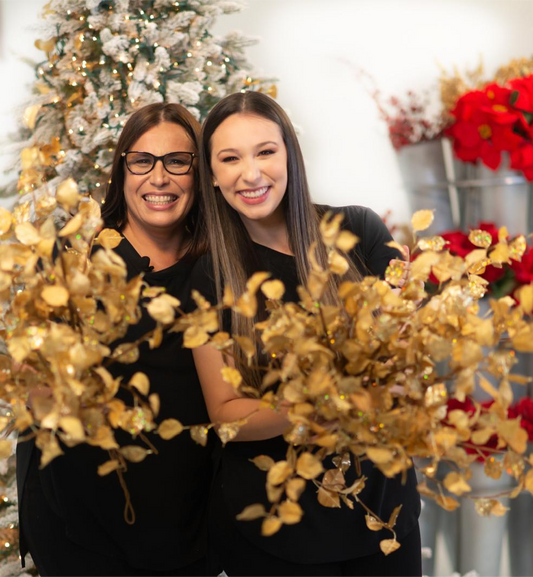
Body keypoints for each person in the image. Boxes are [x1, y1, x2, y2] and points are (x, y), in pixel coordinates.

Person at [189, 91, 422, 577]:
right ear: (212, 175)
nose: (250, 174)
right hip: (275, 530)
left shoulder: (359, 230)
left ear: (290, 155)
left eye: (265, 151)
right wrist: (319, 404)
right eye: (229, 159)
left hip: (383, 515)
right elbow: (227, 416)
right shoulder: (211, 278)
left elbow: (407, 357)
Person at [17, 103, 217, 577]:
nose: (159, 177)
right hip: (79, 529)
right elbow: (36, 395)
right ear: (122, 168)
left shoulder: (219, 269)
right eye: (142, 160)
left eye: (178, 161)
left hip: (189, 532)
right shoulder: (74, 258)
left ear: (200, 172)